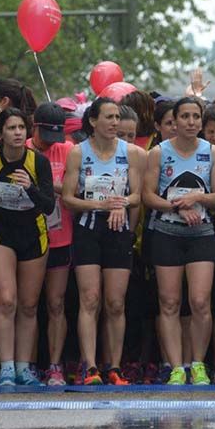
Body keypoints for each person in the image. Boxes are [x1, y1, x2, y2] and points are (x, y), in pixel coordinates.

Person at [143, 97, 215, 385]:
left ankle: (198, 364)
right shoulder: (159, 152)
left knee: (200, 301)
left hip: (201, 233)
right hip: (167, 232)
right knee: (169, 302)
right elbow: (148, 195)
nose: (191, 122)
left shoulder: (213, 153)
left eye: (196, 116)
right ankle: (176, 367)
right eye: (185, 117)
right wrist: (177, 206)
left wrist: (197, 198)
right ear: (175, 121)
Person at [62, 97, 144, 385]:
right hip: (88, 227)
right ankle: (90, 367)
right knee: (90, 298)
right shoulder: (78, 152)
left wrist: (121, 203)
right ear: (93, 121)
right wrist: (98, 205)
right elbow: (68, 198)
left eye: (117, 117)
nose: (114, 123)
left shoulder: (131, 152)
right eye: (108, 117)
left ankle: (115, 367)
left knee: (116, 302)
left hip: (118, 227)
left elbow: (138, 195)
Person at [0, 108, 55, 387]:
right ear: (0, 132)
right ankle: (6, 367)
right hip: (0, 235)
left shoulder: (38, 161)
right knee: (6, 300)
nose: (17, 133)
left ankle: (23, 367)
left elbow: (49, 206)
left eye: (21, 128)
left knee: (29, 305)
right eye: (11, 128)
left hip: (33, 235)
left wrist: (30, 187)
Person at [27, 103, 75, 386]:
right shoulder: (22, 149)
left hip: (60, 234)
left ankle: (55, 366)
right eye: (45, 135)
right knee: (29, 304)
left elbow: (74, 189)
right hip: (27, 236)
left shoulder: (67, 150)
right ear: (35, 126)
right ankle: (28, 364)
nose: (50, 143)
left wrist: (44, 185)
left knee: (56, 302)